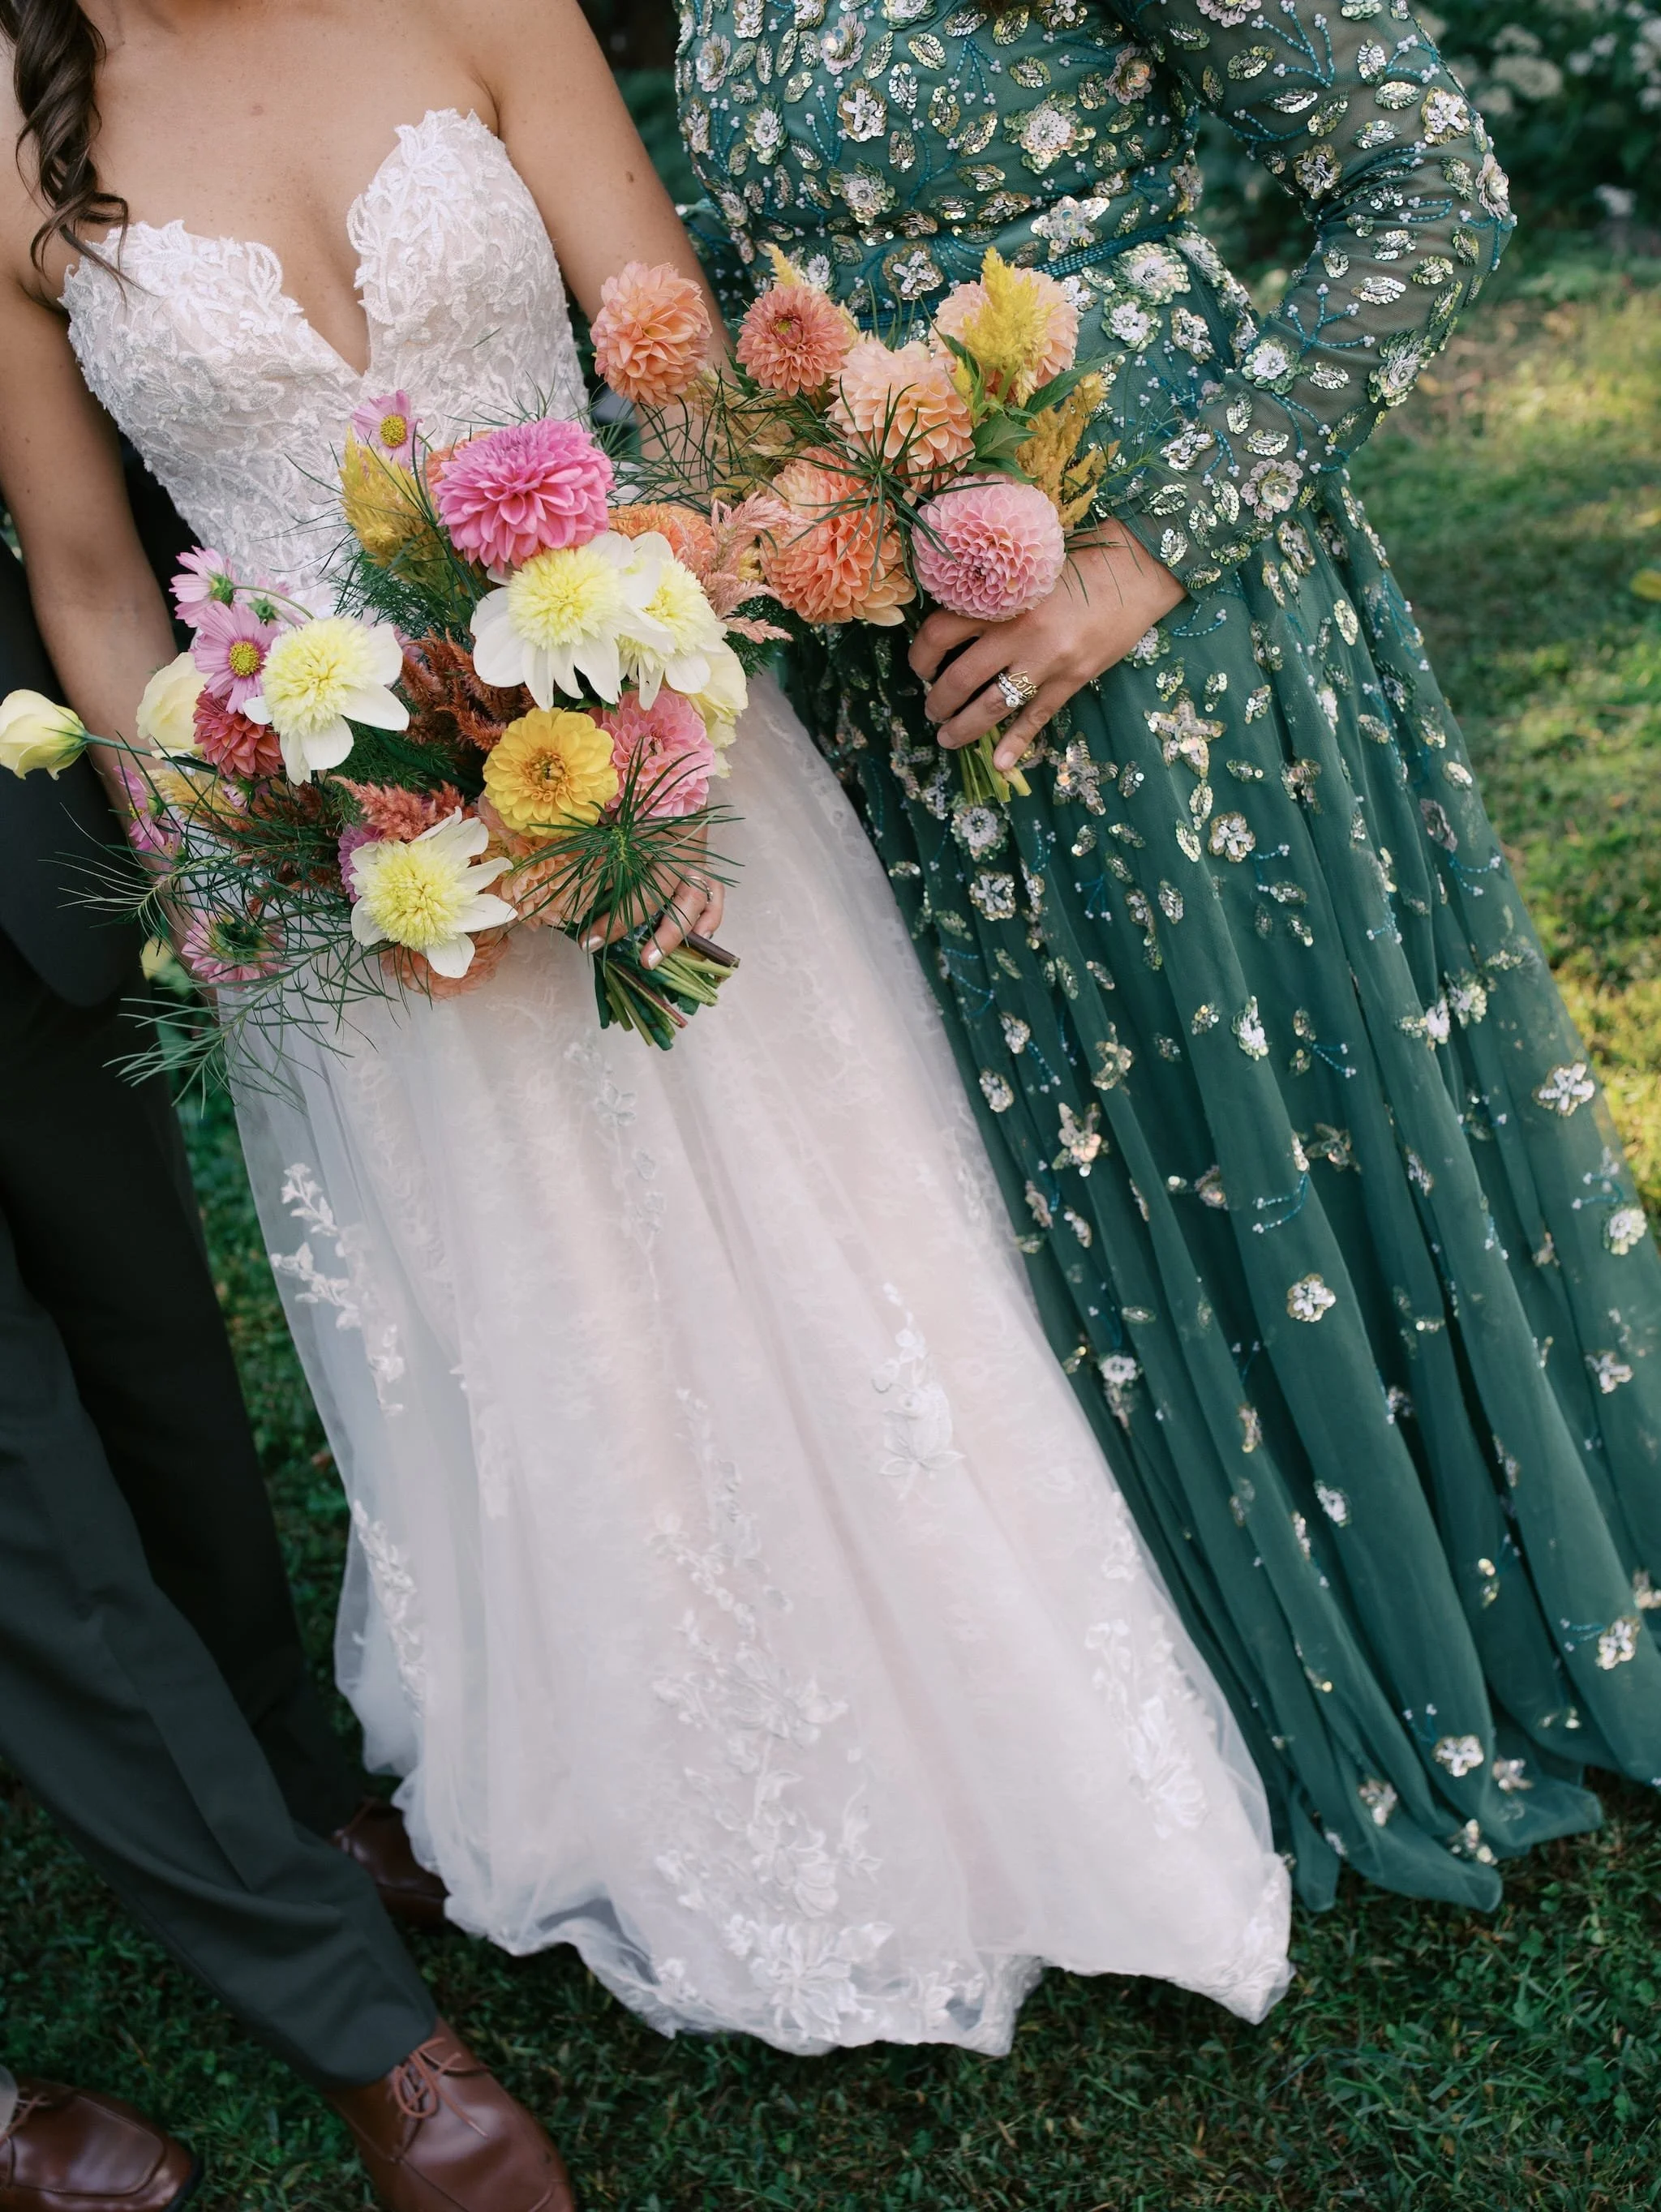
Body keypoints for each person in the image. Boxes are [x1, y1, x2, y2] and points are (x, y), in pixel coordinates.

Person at [0, 0, 1294, 2058]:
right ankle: (670, 1768)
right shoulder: (11, 133)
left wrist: (642, 717)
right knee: (548, 1318)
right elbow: (89, 582)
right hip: (360, 867)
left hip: (666, 740)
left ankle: (992, 1718)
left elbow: (676, 380)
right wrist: (235, 867)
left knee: (828, 1251)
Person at [676, 0, 1661, 1908]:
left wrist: (1146, 553)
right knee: (1064, 1136)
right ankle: (1193, 1662)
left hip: (1149, 603)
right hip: (894, 641)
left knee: (1262, 1089)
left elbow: (1426, 177)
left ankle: (1443, 1622)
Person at [0, 525, 574, 2209]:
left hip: (15, 847)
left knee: (158, 1363)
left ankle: (290, 1774)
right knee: (33, 1522)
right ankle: (359, 2022)